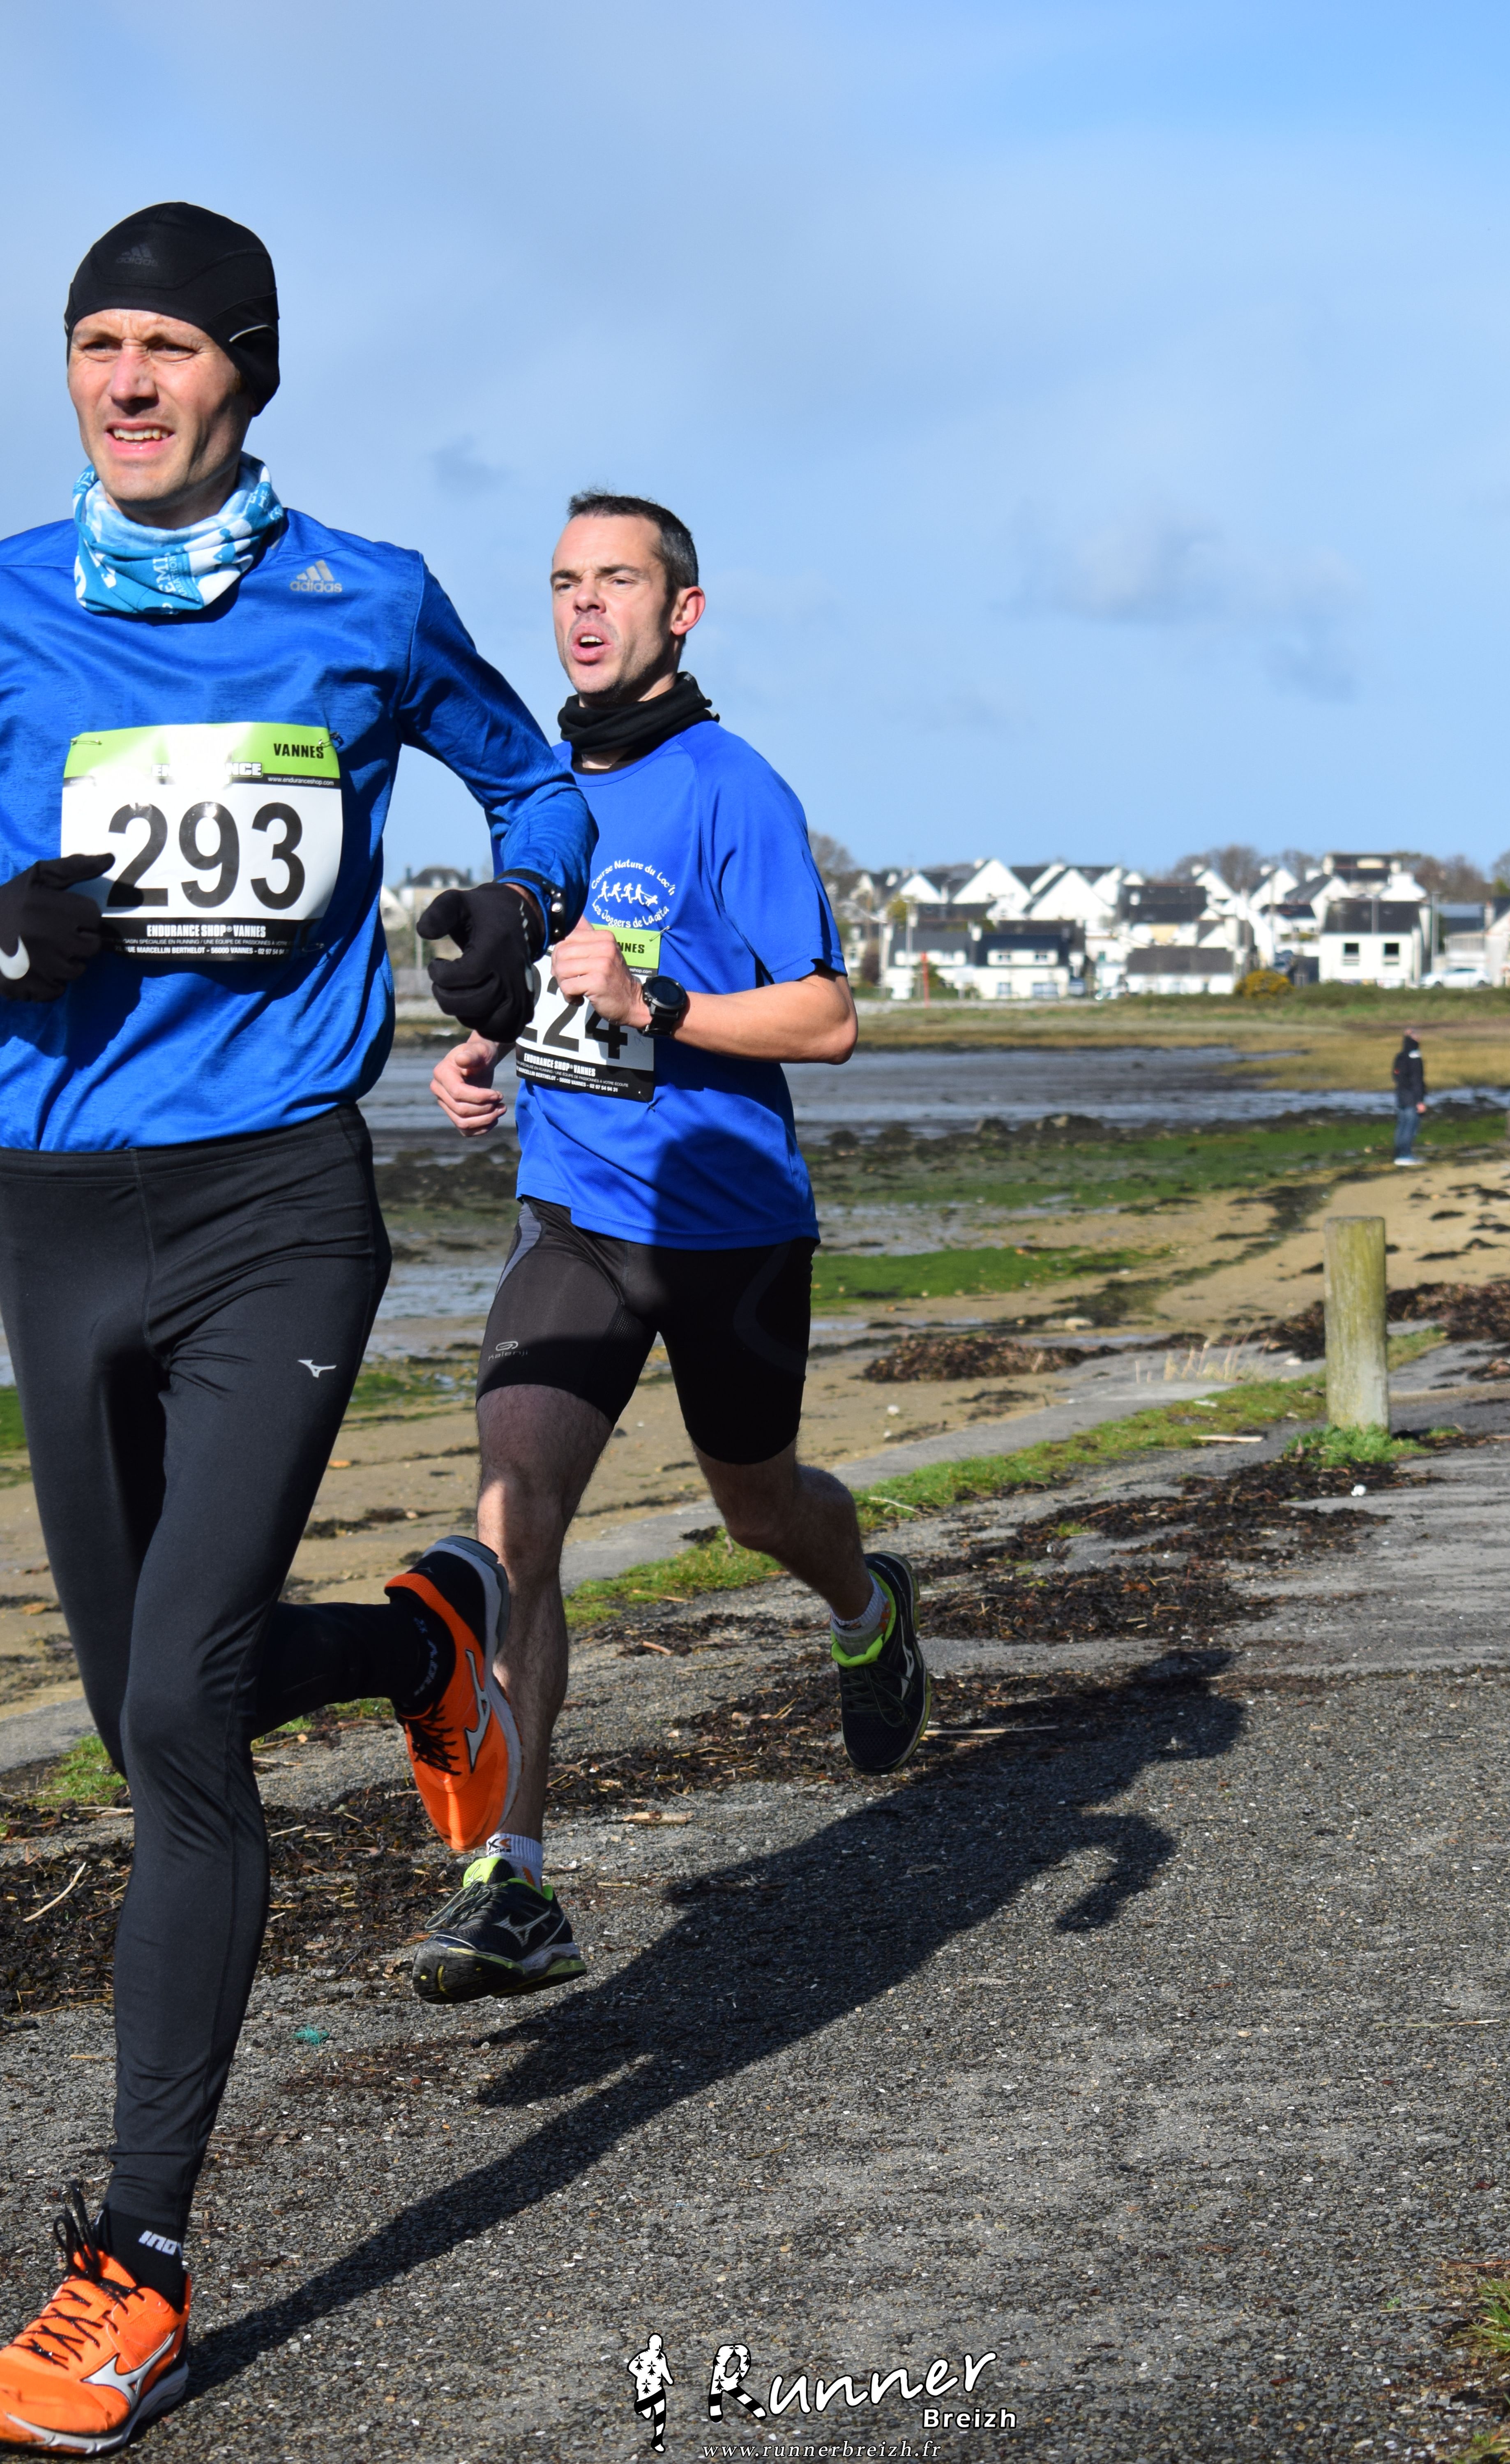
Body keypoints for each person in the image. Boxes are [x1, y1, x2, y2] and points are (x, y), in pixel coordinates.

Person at [0, 203, 594, 2452]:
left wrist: (512, 905)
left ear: (246, 372)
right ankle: (427, 1648)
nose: (127, 385)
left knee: (173, 1714)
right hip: (53, 1214)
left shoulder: (365, 597)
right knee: (168, 1689)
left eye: (168, 348)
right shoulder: (6, 602)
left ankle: (133, 2267)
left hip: (275, 1205)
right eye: (96, 345)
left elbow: (534, 781)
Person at [410, 491, 929, 2003]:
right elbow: (552, 989)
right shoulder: (534, 796)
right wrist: (489, 1051)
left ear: (679, 610)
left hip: (728, 1228)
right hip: (573, 1219)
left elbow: (825, 1019)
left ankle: (866, 1607)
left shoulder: (731, 789)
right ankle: (510, 1880)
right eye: (564, 582)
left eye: (617, 581)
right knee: (515, 1518)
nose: (584, 607)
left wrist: (661, 1006)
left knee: (759, 1506)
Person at [1392, 1028, 1425, 1164]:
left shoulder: (1400, 1056)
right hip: (1411, 1099)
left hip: (1401, 1097)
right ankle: (1405, 1156)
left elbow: (1396, 1076)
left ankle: (1399, 1155)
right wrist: (1420, 1101)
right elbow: (1417, 1080)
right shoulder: (1415, 1057)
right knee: (1410, 1127)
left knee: (1402, 1126)